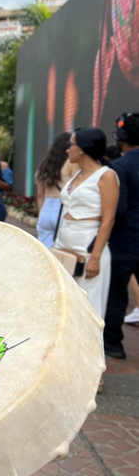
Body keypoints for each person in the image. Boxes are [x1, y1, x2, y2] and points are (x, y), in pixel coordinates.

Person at [53, 129, 118, 321]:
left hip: (88, 247)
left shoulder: (106, 176)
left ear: (82, 149)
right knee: (66, 307)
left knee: (88, 310)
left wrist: (95, 257)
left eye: (70, 145)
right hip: (65, 244)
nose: (67, 150)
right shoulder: (76, 173)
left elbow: (108, 219)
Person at [103, 113, 139, 358]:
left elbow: (120, 207)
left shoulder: (120, 167)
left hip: (125, 241)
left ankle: (113, 344)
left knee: (116, 293)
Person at [34, 132, 77, 247]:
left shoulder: (44, 165)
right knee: (63, 254)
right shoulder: (70, 164)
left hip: (46, 209)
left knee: (47, 254)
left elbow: (40, 194)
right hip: (63, 208)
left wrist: (41, 213)